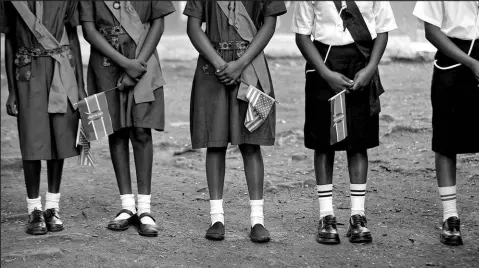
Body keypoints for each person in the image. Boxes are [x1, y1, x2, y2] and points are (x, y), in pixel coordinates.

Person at [413, 1, 479, 246]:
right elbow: (432, 30)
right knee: (446, 142)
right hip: (453, 61)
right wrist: (470, 63)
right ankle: (450, 217)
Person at [292, 1, 397, 244]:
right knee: (323, 142)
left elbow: (382, 30)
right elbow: (302, 35)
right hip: (323, 63)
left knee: (358, 142)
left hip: (361, 61)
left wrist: (371, 68)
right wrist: (325, 73)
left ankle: (357, 216)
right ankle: (326, 216)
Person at [184, 1, 287, 242]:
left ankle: (257, 220)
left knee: (251, 143)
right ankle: (216, 217)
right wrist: (220, 64)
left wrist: (240, 64)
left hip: (250, 65)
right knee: (215, 141)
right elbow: (193, 26)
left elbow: (269, 23)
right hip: (213, 68)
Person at [80, 0, 175, 237]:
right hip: (106, 62)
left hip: (143, 59)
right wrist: (124, 64)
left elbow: (157, 24)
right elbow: (89, 31)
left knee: (142, 130)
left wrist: (137, 66)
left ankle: (144, 209)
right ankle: (126, 206)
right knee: (117, 130)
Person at [1, 1, 86, 235]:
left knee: (59, 139)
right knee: (32, 141)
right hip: (27, 74)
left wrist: (80, 85)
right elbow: (9, 41)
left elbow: (73, 37)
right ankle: (34, 209)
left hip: (61, 71)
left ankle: (52, 207)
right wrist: (11, 90)